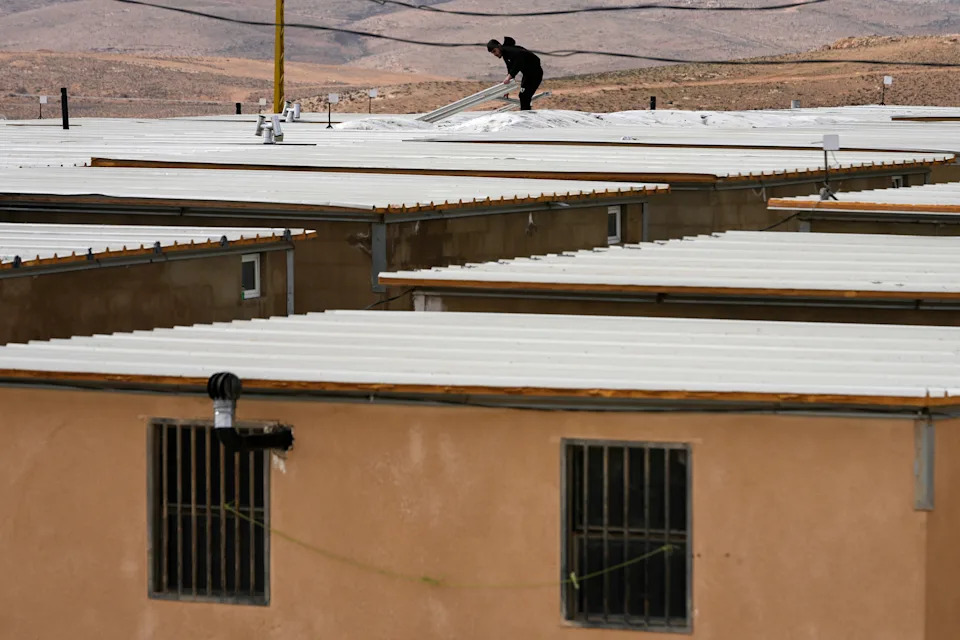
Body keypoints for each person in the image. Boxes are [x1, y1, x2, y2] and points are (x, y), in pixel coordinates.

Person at [487, 38, 543, 111]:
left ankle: (526, 114)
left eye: (494, 51)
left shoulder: (512, 51)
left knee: (525, 96)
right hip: (527, 75)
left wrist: (509, 77)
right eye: (492, 53)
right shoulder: (506, 55)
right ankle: (526, 112)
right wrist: (507, 89)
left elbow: (518, 64)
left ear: (499, 46)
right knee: (523, 96)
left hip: (535, 74)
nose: (495, 54)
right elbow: (510, 70)